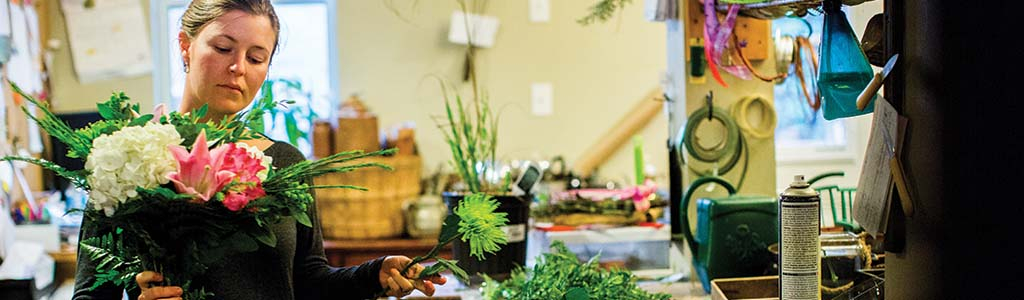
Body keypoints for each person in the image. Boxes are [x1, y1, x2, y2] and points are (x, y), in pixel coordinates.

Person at [71, 0, 445, 299]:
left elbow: (309, 280)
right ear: (185, 45)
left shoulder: (284, 163)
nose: (237, 68)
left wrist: (372, 275)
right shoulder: (126, 161)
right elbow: (90, 293)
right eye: (222, 48)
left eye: (255, 58)